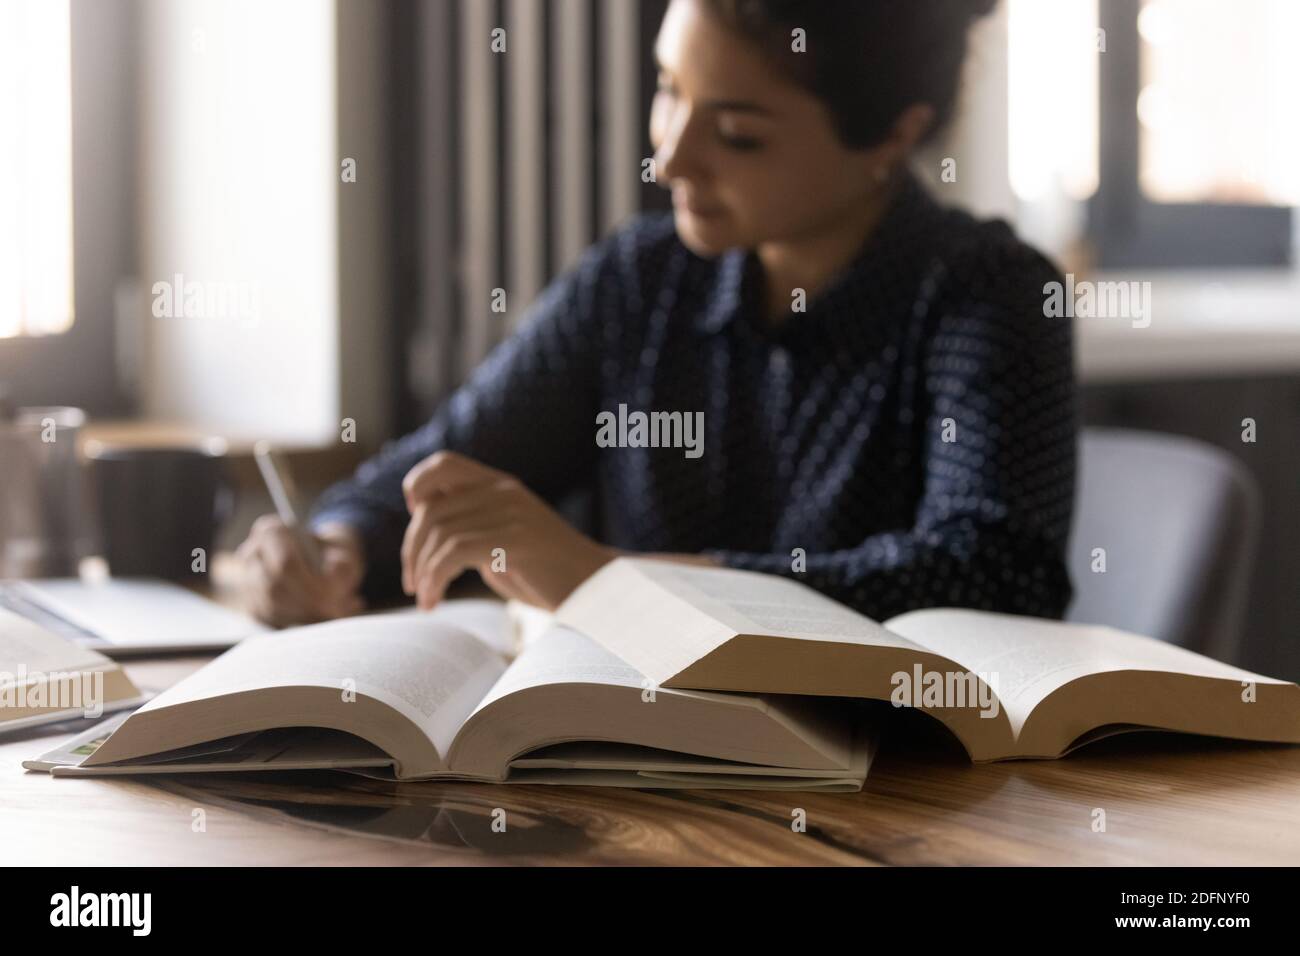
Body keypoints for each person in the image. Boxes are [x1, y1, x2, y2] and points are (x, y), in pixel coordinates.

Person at [237, 0, 1076, 629]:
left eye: (739, 133)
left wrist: (615, 584)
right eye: (669, 90)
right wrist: (335, 547)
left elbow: (996, 574)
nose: (670, 154)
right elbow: (453, 456)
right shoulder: (639, 279)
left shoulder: (988, 295)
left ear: (895, 135)